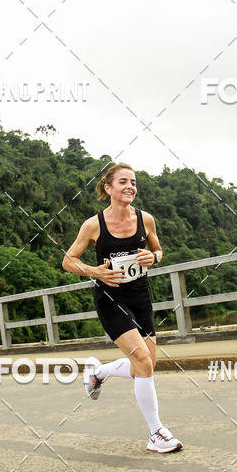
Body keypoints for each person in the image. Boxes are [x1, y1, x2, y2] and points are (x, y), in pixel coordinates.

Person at [62, 162, 182, 453]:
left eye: (134, 182)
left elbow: (158, 249)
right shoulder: (93, 225)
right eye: (123, 182)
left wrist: (155, 258)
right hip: (111, 299)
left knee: (147, 365)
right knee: (141, 359)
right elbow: (68, 260)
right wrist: (95, 271)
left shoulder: (146, 219)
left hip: (140, 297)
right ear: (108, 188)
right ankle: (156, 434)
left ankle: (98, 372)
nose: (130, 186)